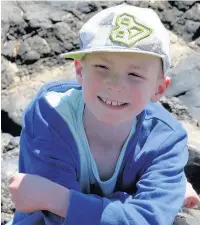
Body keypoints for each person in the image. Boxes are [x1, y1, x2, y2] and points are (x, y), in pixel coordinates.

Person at [7, 4, 200, 225]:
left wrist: (58, 199)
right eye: (102, 67)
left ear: (159, 89)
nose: (116, 85)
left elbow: (149, 220)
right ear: (80, 70)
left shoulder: (166, 139)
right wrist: (143, 202)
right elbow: (56, 219)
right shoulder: (50, 114)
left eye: (134, 74)